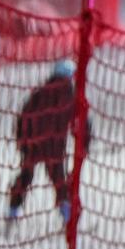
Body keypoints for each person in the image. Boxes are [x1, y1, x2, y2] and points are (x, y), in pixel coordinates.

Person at [8, 59, 78, 224]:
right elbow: (78, 121)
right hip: (53, 145)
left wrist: (22, 140)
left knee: (26, 175)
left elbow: (24, 116)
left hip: (33, 143)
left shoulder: (40, 92)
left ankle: (13, 209)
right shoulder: (69, 95)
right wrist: (85, 142)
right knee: (59, 180)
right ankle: (67, 214)